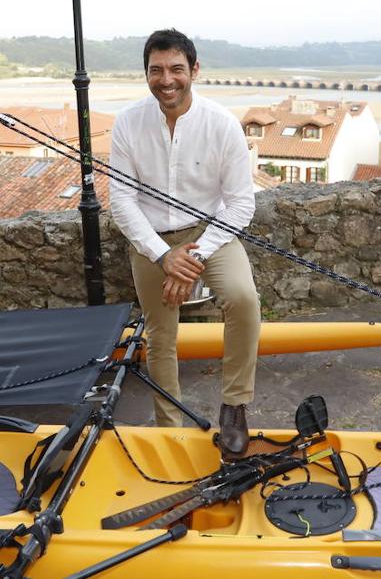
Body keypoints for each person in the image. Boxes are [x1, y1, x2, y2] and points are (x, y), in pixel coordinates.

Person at [109, 28, 261, 456]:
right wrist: (162, 255)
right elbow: (121, 200)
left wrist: (191, 258)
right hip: (151, 238)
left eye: (176, 68)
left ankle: (235, 407)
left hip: (209, 234)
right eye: (156, 70)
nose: (166, 79)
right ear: (146, 74)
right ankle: (167, 424)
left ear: (194, 70)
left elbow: (240, 204)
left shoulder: (221, 124)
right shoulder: (128, 123)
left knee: (243, 299)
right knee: (160, 335)